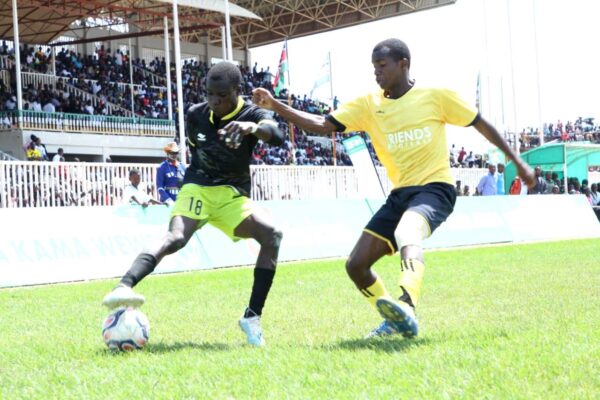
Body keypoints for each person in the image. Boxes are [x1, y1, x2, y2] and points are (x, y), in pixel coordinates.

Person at [252, 38, 535, 339]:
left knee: (407, 233)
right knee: (356, 265)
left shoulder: (436, 96)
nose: (377, 73)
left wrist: (517, 160)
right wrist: (275, 105)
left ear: (404, 64)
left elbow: (480, 124)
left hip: (435, 189)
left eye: (382, 65)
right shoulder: (369, 105)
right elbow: (322, 124)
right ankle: (394, 321)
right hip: (399, 195)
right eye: (374, 67)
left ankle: (408, 304)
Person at [103, 62, 284, 347]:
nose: (215, 101)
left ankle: (251, 316)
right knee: (175, 238)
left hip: (231, 195)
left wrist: (252, 129)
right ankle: (123, 286)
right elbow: (197, 148)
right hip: (197, 187)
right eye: (210, 94)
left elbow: (276, 135)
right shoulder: (196, 114)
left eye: (222, 95)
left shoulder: (253, 114)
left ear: (237, 91)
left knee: (271, 235)